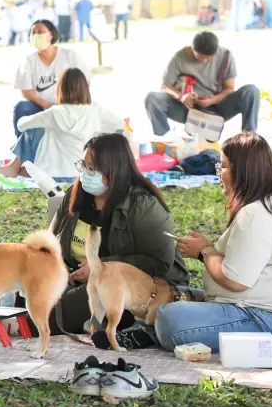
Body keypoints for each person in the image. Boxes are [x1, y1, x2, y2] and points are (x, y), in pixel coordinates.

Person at [155, 133, 272, 352]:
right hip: (258, 312)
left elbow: (235, 280)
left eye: (223, 167)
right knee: (171, 293)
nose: (219, 174)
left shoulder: (256, 214)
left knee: (168, 318)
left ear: (242, 171)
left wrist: (204, 251)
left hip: (269, 320)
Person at [46, 133, 190, 337]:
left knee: (69, 305)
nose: (86, 174)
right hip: (82, 279)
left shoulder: (143, 206)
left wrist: (101, 267)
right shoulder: (75, 195)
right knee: (34, 292)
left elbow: (160, 263)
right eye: (84, 166)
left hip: (140, 286)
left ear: (115, 170)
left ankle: (24, 325)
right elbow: (50, 244)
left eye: (94, 169)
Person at [1, 68, 123, 180]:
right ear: (85, 88)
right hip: (81, 174)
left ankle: (15, 167)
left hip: (51, 175)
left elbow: (21, 125)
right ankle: (18, 168)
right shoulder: (95, 110)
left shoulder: (55, 112)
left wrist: (44, 122)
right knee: (47, 131)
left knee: (35, 130)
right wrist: (95, 131)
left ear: (61, 88)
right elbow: (119, 124)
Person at [144, 31, 260, 137]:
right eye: (201, 57)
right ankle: (164, 138)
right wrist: (181, 97)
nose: (204, 60)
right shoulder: (179, 58)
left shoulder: (225, 56)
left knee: (251, 91)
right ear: (192, 49)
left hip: (217, 106)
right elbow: (165, 87)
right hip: (187, 107)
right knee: (152, 98)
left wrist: (211, 100)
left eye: (208, 58)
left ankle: (249, 139)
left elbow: (229, 89)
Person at [12, 20, 92, 137]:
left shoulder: (69, 56)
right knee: (21, 107)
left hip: (69, 106)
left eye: (40, 31)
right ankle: (22, 149)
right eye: (33, 32)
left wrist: (67, 103)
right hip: (40, 107)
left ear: (51, 35)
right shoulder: (28, 61)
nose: (36, 35)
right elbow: (26, 91)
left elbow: (85, 82)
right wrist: (47, 105)